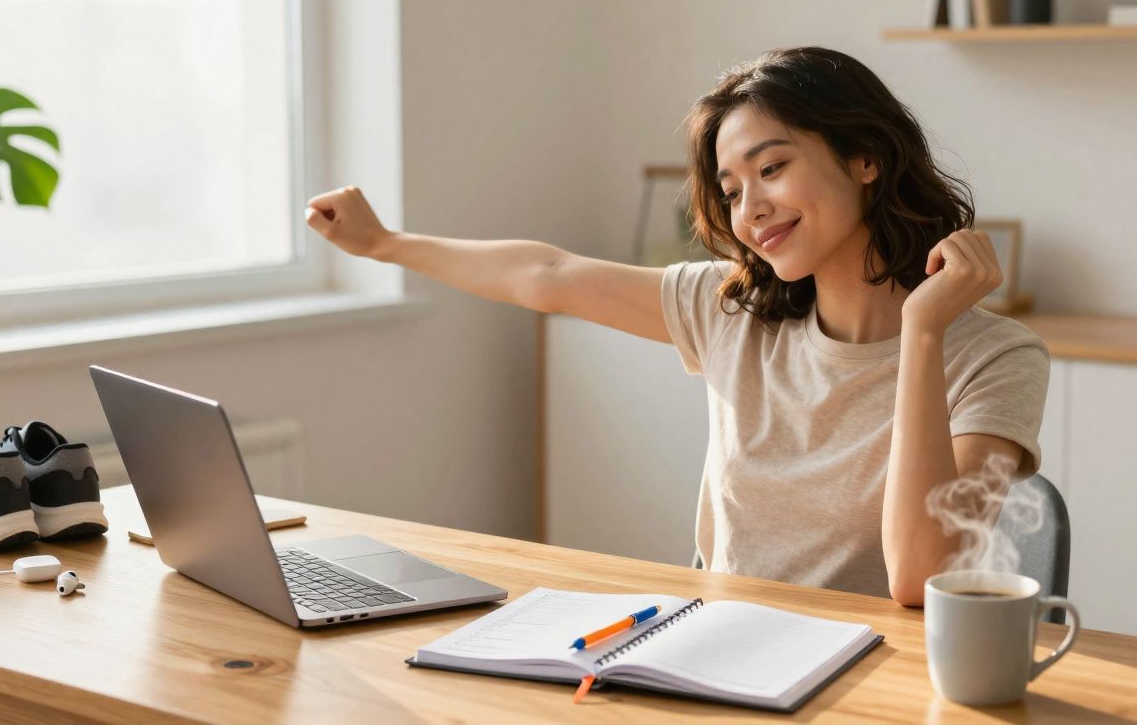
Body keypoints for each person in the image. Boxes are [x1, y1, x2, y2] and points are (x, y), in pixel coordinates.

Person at [304, 47, 1049, 607]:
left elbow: (921, 578)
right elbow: (550, 277)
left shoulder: (997, 358)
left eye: (773, 167)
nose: (749, 209)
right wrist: (382, 245)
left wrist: (921, 336)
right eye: (731, 190)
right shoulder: (732, 313)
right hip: (711, 648)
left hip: (869, 676)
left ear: (867, 159)